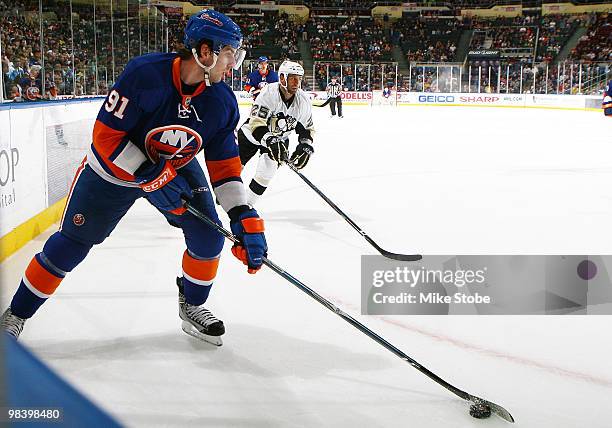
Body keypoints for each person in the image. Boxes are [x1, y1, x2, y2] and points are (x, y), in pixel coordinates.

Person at [0, 10, 267, 347]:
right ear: (204, 52)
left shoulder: (222, 103)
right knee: (70, 246)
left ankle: (193, 305)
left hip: (175, 166)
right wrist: (153, 176)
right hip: (111, 172)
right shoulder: (145, 74)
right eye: (230, 54)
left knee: (209, 238)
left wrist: (243, 214)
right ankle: (17, 313)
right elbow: (106, 137)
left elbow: (226, 168)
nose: (235, 64)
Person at [237, 60, 315, 207]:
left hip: (279, 139)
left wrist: (306, 145)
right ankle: (229, 191)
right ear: (282, 78)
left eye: (299, 78)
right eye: (292, 77)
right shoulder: (268, 93)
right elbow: (256, 123)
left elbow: (306, 128)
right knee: (234, 168)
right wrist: (270, 140)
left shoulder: (303, 100)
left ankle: (247, 205)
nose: (296, 82)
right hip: (251, 136)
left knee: (268, 169)